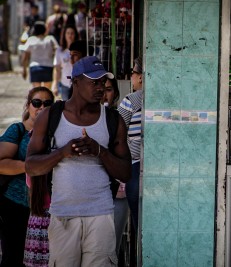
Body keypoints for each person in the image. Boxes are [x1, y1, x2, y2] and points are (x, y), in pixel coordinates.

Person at [25, 56, 132, 266]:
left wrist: (100, 151)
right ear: (75, 82)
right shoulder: (50, 116)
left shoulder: (112, 119)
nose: (100, 87)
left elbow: (126, 173)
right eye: (94, 82)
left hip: (101, 214)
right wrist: (62, 153)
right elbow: (31, 166)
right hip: (63, 214)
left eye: (103, 82)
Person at [0, 86, 54, 267]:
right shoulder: (18, 130)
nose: (41, 107)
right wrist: (33, 167)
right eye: (37, 103)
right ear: (28, 105)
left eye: (47, 104)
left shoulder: (56, 133)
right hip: (15, 205)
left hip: (48, 210)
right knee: (13, 257)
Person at [117, 56, 143, 264]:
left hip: (135, 168)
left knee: (139, 224)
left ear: (141, 77)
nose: (131, 77)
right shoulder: (167, 99)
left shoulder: (131, 101)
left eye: (133, 73)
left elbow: (118, 134)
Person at [101, 77, 129, 259]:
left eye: (108, 89)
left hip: (118, 194)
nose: (103, 93)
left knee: (110, 250)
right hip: (89, 197)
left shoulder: (117, 121)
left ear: (116, 94)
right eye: (98, 87)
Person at [21, 21, 59, 89]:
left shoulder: (31, 40)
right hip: (48, 67)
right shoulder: (50, 39)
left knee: (36, 91)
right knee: (47, 91)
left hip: (34, 67)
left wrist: (24, 70)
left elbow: (25, 56)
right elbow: (57, 50)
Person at [52, 24, 79, 100]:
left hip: (77, 84)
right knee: (66, 106)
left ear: (75, 35)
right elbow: (57, 69)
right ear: (64, 35)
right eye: (68, 33)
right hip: (64, 83)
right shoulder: (60, 50)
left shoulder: (80, 50)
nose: (70, 35)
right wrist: (55, 85)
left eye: (72, 33)